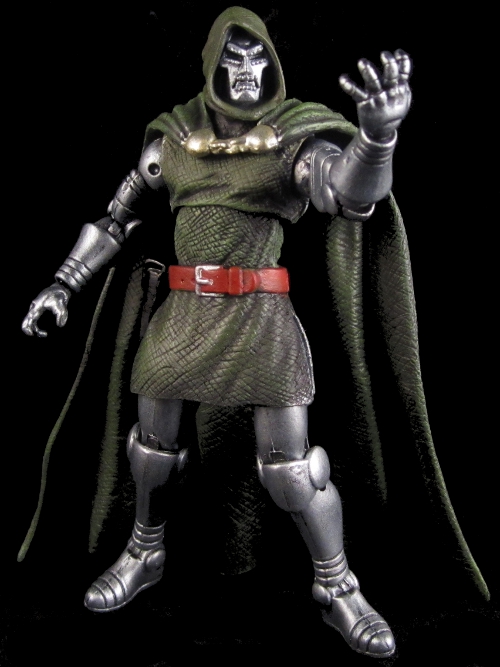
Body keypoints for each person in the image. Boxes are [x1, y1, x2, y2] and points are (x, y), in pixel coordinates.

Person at [21, 6, 419, 659]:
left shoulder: (292, 139)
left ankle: (337, 585)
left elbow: (348, 194)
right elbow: (117, 220)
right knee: (151, 451)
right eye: (234, 60)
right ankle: (145, 551)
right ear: (213, 65)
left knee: (291, 471)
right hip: (184, 314)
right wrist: (63, 283)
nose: (247, 72)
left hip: (262, 318)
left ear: (273, 64)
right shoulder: (173, 140)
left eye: (258, 58)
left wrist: (376, 140)